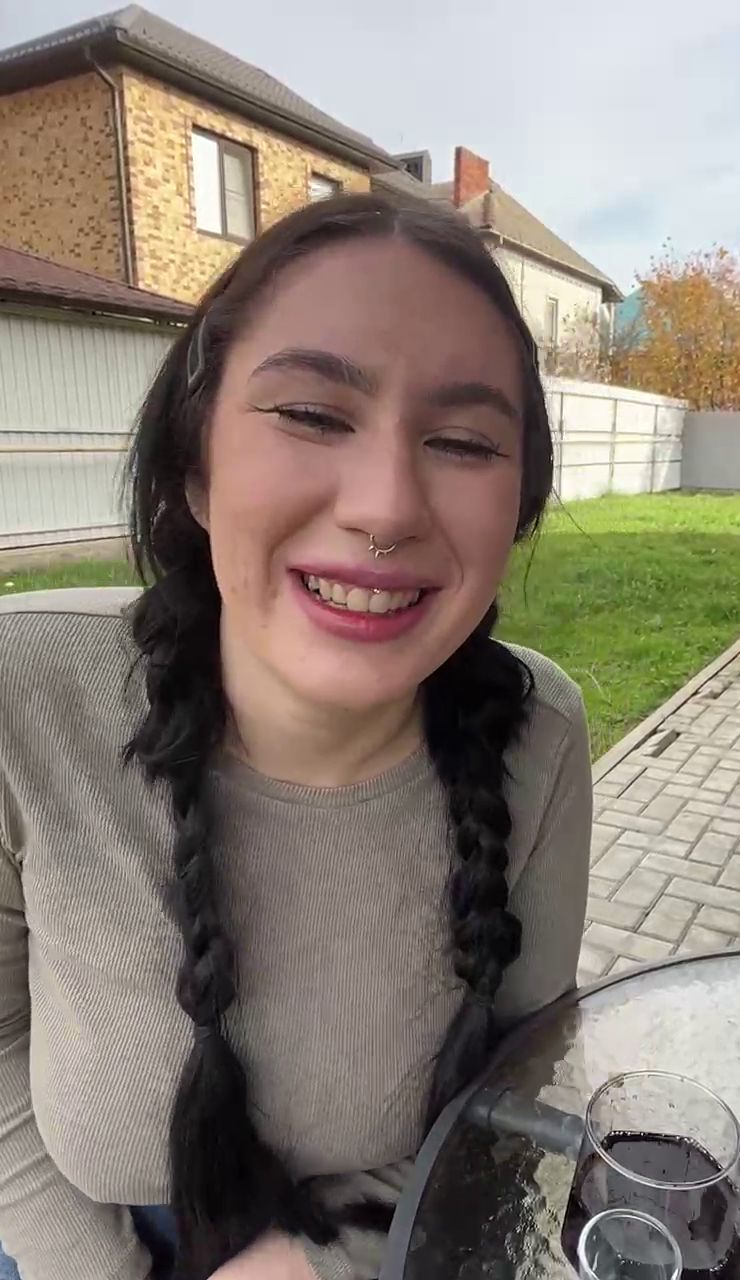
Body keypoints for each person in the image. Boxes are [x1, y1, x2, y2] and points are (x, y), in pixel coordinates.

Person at [0, 192, 592, 1280]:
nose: (386, 507)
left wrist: (332, 1261)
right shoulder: (20, 696)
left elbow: (518, 1094)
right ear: (194, 466)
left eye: (463, 441)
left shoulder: (538, 738)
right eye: (314, 415)